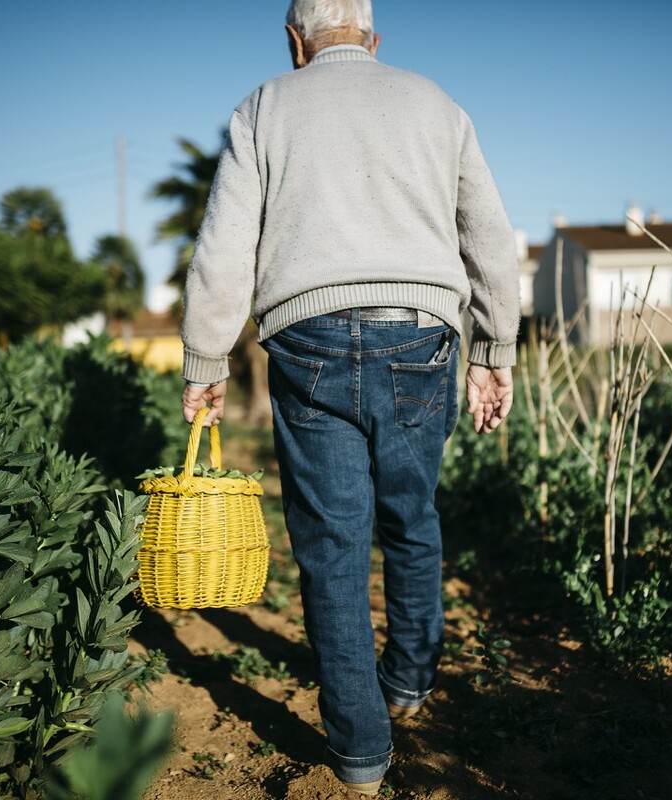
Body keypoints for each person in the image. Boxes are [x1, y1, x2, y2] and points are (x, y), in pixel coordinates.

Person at [179, 0, 519, 793]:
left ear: (295, 42)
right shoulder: (436, 103)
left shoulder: (264, 106)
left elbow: (225, 242)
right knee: (412, 516)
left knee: (331, 546)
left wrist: (206, 358)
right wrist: (494, 349)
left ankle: (360, 756)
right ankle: (407, 682)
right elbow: (488, 234)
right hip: (419, 336)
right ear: (373, 40)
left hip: (307, 341)